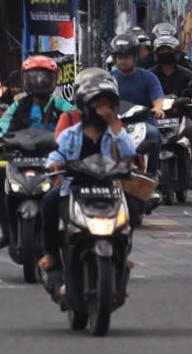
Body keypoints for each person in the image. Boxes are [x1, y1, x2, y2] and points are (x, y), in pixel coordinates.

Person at [39, 69, 136, 275]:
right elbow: (57, 154)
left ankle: (122, 256)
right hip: (74, 189)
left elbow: (130, 151)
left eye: (107, 104)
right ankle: (51, 253)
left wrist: (114, 124)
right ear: (85, 105)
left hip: (108, 189)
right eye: (97, 104)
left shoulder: (115, 131)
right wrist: (54, 164)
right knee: (48, 203)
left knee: (133, 208)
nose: (103, 109)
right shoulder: (70, 134)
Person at [0, 54, 73, 250]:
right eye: (34, 76)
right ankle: (5, 229)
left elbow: (77, 119)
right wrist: (0, 136)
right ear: (25, 79)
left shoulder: (60, 105)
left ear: (53, 80)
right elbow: (5, 123)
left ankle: (71, 231)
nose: (39, 81)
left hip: (51, 161)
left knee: (71, 186)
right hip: (21, 159)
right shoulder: (18, 105)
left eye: (45, 77)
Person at [108, 32, 164, 175]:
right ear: (114, 59)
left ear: (135, 57)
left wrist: (158, 108)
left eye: (127, 57)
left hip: (143, 122)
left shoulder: (148, 77)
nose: (123, 61)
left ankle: (151, 175)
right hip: (115, 123)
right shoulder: (108, 79)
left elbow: (157, 99)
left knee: (155, 135)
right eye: (120, 58)